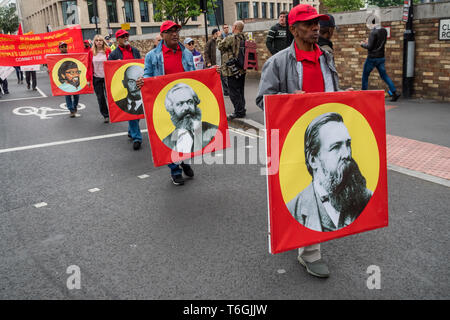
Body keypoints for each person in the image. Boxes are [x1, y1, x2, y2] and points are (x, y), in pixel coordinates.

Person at [256, 4, 344, 278]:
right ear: (293, 30)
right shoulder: (278, 62)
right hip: (293, 140)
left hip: (324, 138)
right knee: (300, 191)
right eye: (307, 24)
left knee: (322, 190)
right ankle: (304, 247)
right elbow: (263, 99)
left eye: (316, 23)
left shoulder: (326, 56)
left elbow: (333, 93)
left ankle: (309, 248)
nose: (315, 28)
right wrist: (290, 101)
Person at [287, 112, 372, 232]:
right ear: (313, 160)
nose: (347, 154)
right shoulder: (293, 210)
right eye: (336, 147)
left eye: (348, 144)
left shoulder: (367, 197)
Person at [137, 20, 196, 186]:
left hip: (183, 102)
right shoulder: (152, 56)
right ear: (162, 35)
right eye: (170, 31)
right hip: (165, 103)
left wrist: (212, 72)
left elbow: (194, 75)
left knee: (185, 134)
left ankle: (184, 161)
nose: (175, 34)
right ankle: (175, 170)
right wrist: (143, 81)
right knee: (170, 136)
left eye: (176, 31)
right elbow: (148, 75)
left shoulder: (187, 54)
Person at [108, 29, 143, 151]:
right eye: (122, 37)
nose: (125, 38)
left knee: (136, 112)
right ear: (118, 40)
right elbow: (110, 72)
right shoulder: (113, 55)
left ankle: (131, 130)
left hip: (136, 85)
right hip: (122, 87)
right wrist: (115, 64)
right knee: (131, 111)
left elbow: (140, 66)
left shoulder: (135, 51)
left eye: (126, 36)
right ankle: (137, 137)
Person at [162, 83, 218, 153]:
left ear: (195, 104)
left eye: (190, 102)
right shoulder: (166, 142)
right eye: (180, 104)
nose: (186, 107)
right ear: (172, 109)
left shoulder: (214, 130)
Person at [361, 22, 400, 101]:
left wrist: (362, 44)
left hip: (372, 58)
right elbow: (377, 43)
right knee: (384, 76)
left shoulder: (373, 32)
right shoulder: (384, 31)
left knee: (365, 76)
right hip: (381, 58)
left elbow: (370, 47)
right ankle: (394, 93)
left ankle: (363, 95)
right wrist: (368, 43)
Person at [218, 20, 247, 120]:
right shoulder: (244, 37)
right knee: (240, 90)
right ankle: (242, 109)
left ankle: (238, 111)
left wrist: (219, 37)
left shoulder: (231, 38)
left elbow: (220, 46)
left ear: (235, 27)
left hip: (232, 69)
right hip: (242, 68)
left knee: (233, 92)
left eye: (233, 26)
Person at [91, 34, 111, 123]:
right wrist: (88, 79)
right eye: (97, 40)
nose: (99, 42)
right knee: (100, 97)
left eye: (100, 40)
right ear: (94, 42)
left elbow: (112, 63)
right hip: (97, 78)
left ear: (103, 42)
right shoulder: (91, 52)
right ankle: (105, 115)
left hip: (107, 77)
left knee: (110, 96)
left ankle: (113, 113)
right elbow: (88, 66)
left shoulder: (108, 51)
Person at [59, 41, 80, 118]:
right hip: (65, 79)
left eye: (65, 46)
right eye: (62, 47)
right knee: (67, 95)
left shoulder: (71, 55)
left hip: (74, 78)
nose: (64, 48)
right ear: (59, 48)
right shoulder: (56, 57)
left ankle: (74, 106)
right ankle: (71, 110)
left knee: (76, 95)